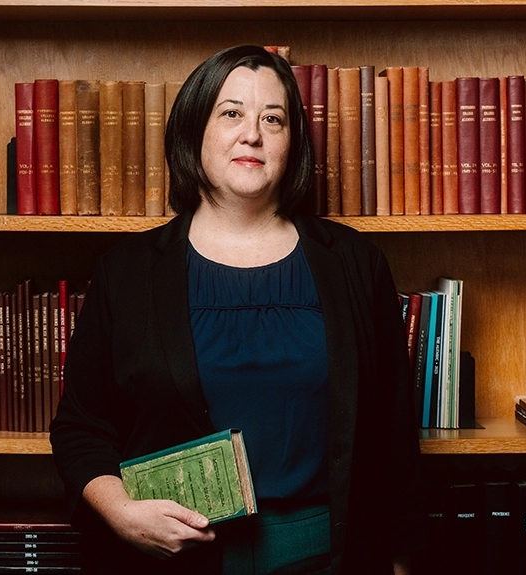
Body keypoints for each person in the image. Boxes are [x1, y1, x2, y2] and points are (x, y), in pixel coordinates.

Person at [49, 44, 425, 575]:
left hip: (329, 557)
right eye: (231, 114)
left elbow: (393, 435)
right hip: (174, 562)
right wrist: (122, 513)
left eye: (273, 119)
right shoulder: (126, 273)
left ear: (293, 142)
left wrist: (402, 564)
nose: (253, 134)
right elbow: (80, 428)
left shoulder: (355, 265)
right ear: (194, 130)